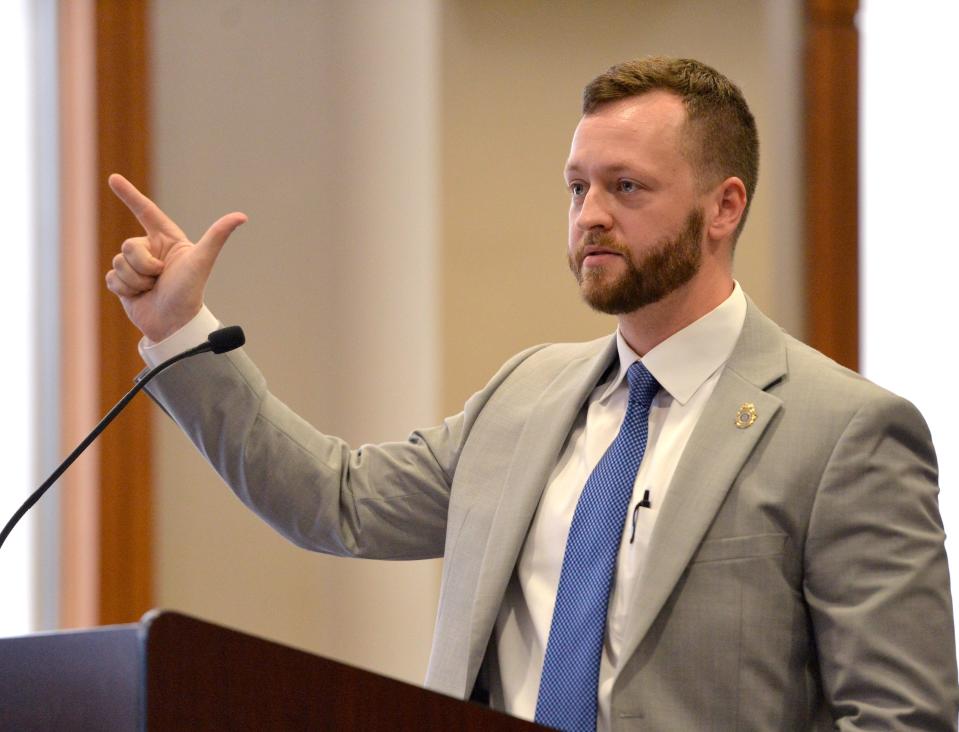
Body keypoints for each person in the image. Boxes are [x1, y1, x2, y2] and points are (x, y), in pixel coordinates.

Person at [105, 56, 958, 730]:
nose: (589, 214)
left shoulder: (844, 430)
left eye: (625, 187)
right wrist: (180, 334)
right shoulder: (526, 394)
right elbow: (336, 501)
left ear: (723, 206)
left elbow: (900, 717)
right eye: (576, 186)